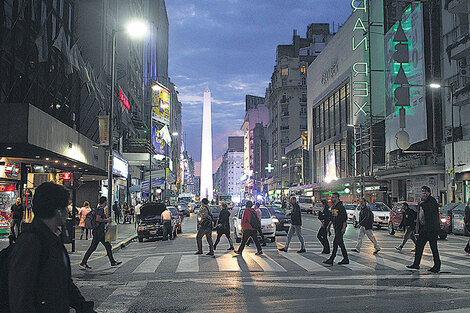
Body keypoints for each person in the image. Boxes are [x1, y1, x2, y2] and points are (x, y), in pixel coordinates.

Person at [8, 182, 96, 313]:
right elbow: (21, 296)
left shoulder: (52, 238)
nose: (68, 212)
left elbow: (64, 283)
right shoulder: (31, 242)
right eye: (66, 207)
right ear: (58, 211)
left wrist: (83, 307)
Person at [79, 196, 122, 270]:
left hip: (99, 232)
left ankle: (112, 262)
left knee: (107, 246)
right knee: (94, 247)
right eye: (106, 201)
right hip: (98, 232)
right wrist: (106, 220)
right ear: (104, 202)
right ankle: (83, 262)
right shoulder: (101, 209)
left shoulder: (98, 208)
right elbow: (98, 219)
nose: (106, 202)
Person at [407, 186, 441, 273]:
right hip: (424, 229)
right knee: (419, 246)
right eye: (422, 191)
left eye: (425, 192)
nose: (423, 193)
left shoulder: (431, 201)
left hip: (431, 229)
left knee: (433, 248)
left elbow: (429, 210)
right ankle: (416, 263)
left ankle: (437, 265)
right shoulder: (424, 202)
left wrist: (422, 203)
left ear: (429, 192)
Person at [323, 192, 349, 265]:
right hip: (336, 227)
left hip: (340, 228)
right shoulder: (334, 207)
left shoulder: (341, 207)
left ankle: (331, 259)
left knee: (335, 243)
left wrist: (343, 228)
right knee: (341, 244)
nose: (332, 198)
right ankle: (346, 258)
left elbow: (344, 219)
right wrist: (329, 225)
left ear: (337, 198)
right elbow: (333, 218)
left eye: (334, 197)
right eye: (332, 197)